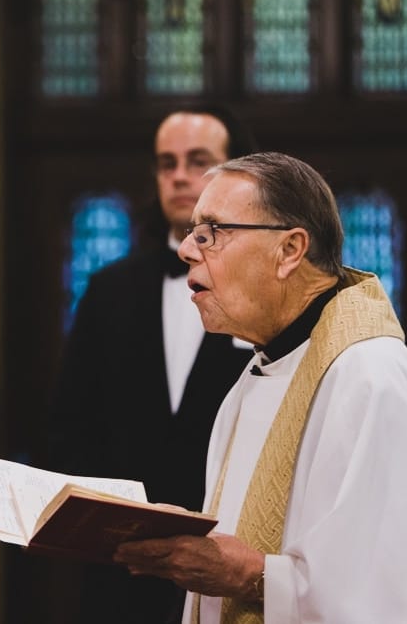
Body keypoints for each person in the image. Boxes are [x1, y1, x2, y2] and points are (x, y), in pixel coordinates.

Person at [114, 152, 407, 623]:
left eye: (212, 231)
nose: (187, 249)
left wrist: (249, 576)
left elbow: (392, 593)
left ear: (290, 251)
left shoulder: (371, 377)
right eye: (193, 231)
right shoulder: (258, 373)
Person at [46, 106, 257, 622]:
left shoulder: (263, 290)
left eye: (199, 161)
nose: (181, 175)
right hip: (120, 569)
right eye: (167, 163)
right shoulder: (109, 289)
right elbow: (72, 424)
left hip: (229, 556)